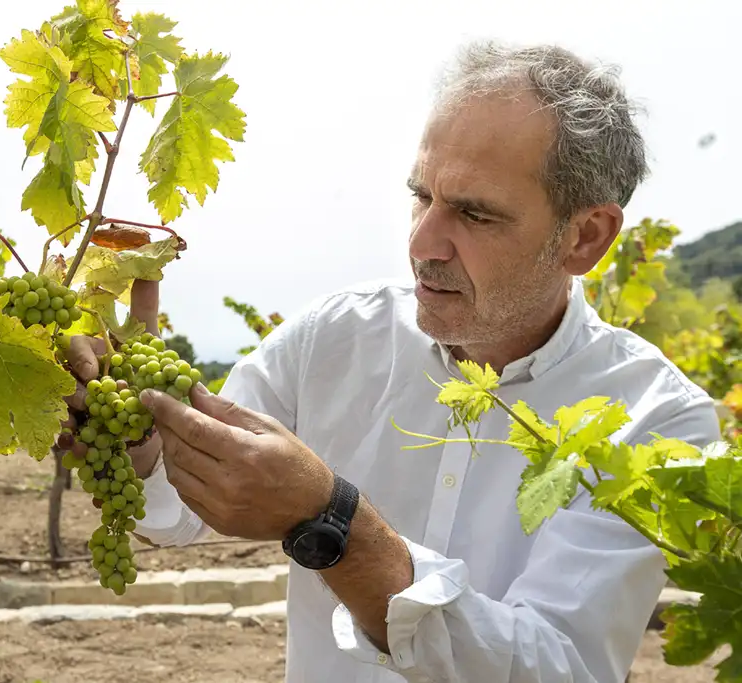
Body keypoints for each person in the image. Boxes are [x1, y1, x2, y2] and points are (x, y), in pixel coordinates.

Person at [63, 41, 722, 682]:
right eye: (422, 196)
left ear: (585, 237)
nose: (422, 241)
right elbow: (178, 513)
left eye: (473, 213)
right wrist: (144, 432)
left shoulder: (657, 424)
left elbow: (558, 666)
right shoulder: (332, 339)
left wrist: (333, 522)